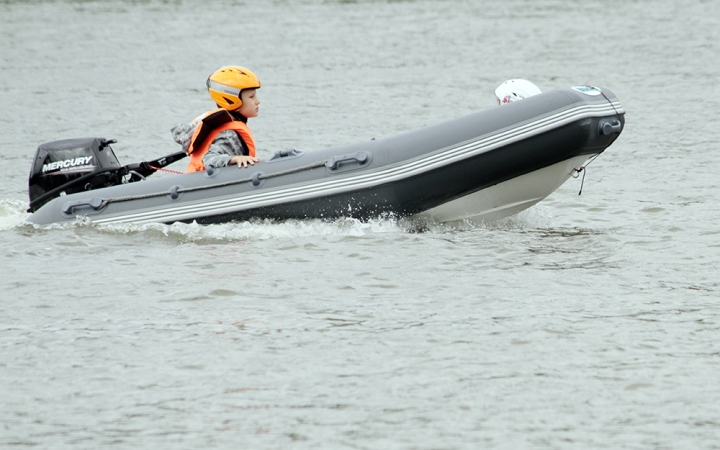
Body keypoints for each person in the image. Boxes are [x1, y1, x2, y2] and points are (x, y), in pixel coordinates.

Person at [172, 66, 262, 172]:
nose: (257, 101)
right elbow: (209, 159)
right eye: (251, 97)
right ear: (233, 100)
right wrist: (234, 159)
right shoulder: (229, 134)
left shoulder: (224, 127)